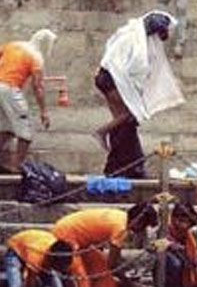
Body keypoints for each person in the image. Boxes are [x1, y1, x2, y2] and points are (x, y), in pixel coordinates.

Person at [94, 13, 183, 178]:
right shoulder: (135, 40)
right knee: (129, 115)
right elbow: (130, 67)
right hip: (110, 79)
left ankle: (124, 167)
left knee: (125, 123)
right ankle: (102, 132)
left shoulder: (134, 34)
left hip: (110, 78)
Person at [51, 205, 158, 287]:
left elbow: (110, 264)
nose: (143, 230)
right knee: (82, 278)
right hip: (66, 235)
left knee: (103, 273)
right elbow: (112, 264)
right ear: (137, 221)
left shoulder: (122, 218)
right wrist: (127, 281)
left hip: (82, 242)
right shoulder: (120, 229)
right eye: (144, 226)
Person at [0, 30, 55, 173]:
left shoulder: (12, 45)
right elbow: (38, 86)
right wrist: (44, 111)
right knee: (26, 131)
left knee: (7, 129)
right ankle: (16, 167)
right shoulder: (36, 57)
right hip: (10, 89)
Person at [4, 230, 83, 287]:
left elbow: (74, 281)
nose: (60, 271)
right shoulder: (36, 257)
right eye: (59, 268)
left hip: (37, 246)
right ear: (52, 261)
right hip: (16, 249)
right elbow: (30, 281)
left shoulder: (71, 258)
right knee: (15, 284)